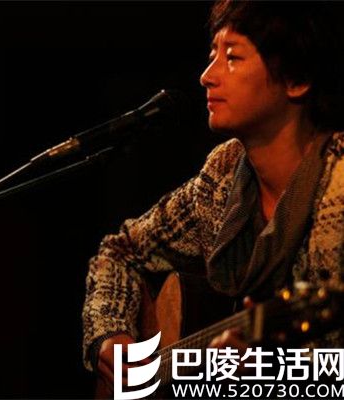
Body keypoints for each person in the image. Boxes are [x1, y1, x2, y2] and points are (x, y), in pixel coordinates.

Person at [82, 0, 344, 389]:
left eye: (233, 57)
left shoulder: (337, 187)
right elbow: (121, 252)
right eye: (212, 56)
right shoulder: (223, 177)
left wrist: (274, 370)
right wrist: (111, 337)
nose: (206, 76)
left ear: (297, 78)